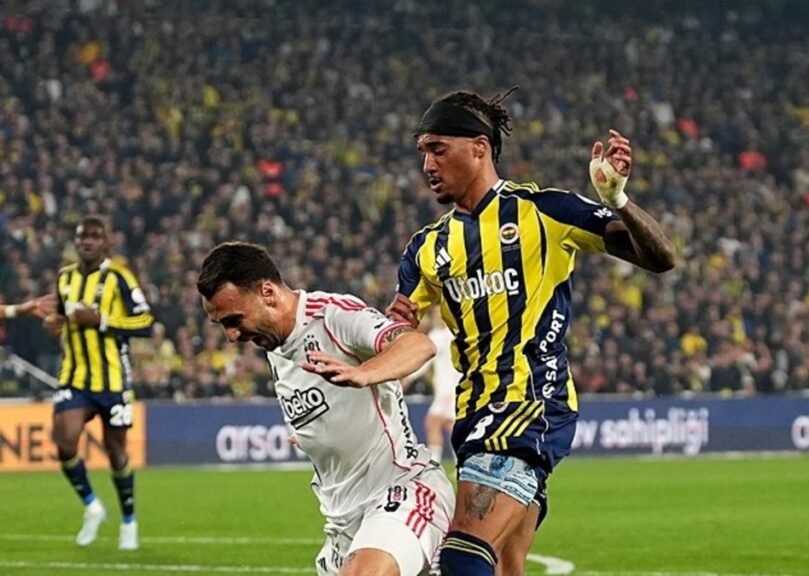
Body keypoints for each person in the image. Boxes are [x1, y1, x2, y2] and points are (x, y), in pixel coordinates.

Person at [388, 89, 676, 576]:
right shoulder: (426, 248)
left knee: (460, 559)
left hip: (530, 407)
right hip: (473, 417)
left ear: (479, 148)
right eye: (423, 152)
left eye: (438, 149)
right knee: (507, 566)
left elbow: (660, 257)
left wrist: (618, 202)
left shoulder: (545, 210)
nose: (427, 164)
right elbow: (397, 331)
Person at [197, 241, 455, 576]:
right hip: (343, 524)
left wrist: (364, 372)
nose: (231, 336)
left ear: (267, 292)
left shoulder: (333, 315)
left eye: (234, 320)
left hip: (402, 490)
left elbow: (418, 345)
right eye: (222, 325)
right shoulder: (276, 347)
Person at [48, 215, 154, 550]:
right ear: (76, 242)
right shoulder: (64, 277)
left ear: (106, 243)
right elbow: (62, 316)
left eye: (95, 236)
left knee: (115, 451)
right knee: (64, 442)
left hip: (113, 380)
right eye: (82, 236)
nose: (87, 241)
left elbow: (146, 322)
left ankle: (129, 522)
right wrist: (54, 323)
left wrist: (103, 321)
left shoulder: (120, 276)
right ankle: (92, 506)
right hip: (75, 377)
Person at [405, 307, 460, 465]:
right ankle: (458, 461)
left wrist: (409, 377)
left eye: (439, 314)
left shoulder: (445, 336)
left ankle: (436, 462)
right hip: (447, 389)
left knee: (433, 423)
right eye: (435, 314)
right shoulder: (443, 334)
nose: (437, 317)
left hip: (448, 390)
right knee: (449, 425)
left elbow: (425, 361)